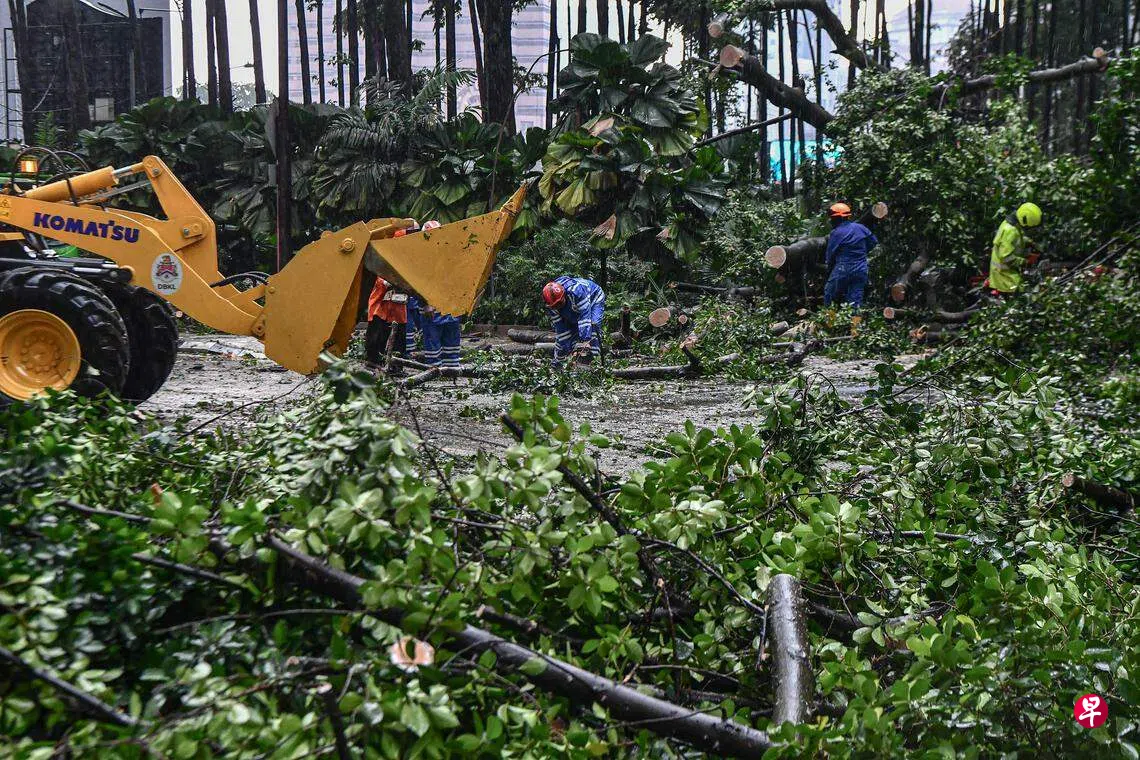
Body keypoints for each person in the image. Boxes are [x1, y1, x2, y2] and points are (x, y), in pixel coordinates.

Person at [823, 202, 878, 334]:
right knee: (855, 299)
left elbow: (830, 255)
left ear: (837, 218)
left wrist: (829, 270)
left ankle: (830, 328)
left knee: (830, 294)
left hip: (843, 268)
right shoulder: (860, 228)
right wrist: (861, 252)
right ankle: (855, 331)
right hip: (861, 268)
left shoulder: (836, 233)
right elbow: (873, 242)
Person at [542, 276, 605, 363]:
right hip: (573, 305)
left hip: (594, 298)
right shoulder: (551, 306)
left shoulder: (576, 291)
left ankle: (595, 361)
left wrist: (585, 341)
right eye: (555, 306)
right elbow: (561, 329)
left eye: (559, 303)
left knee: (593, 326)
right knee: (564, 341)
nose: (558, 306)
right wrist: (564, 349)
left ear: (564, 294)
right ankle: (558, 363)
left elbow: (584, 317)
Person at [987, 202, 1042, 296]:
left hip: (1008, 270)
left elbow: (1016, 239)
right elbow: (1006, 257)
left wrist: (1029, 242)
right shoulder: (1010, 230)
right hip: (1004, 274)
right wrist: (1025, 262)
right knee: (1023, 292)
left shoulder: (1013, 225)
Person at [365, 276, 408, 366]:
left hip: (397, 308)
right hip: (380, 307)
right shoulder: (381, 275)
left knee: (398, 339)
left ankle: (396, 364)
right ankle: (373, 361)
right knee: (376, 337)